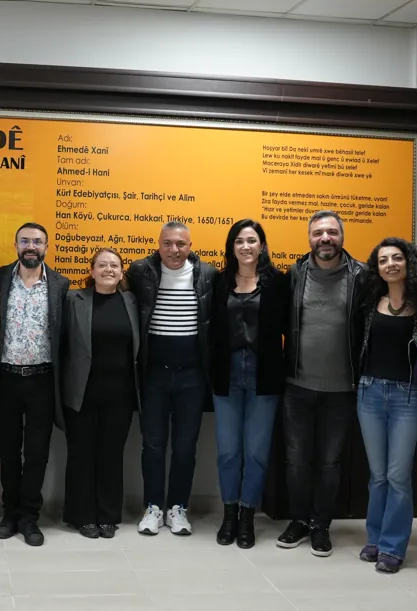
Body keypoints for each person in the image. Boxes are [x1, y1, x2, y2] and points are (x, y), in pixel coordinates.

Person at [278, 210, 366, 556]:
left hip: (342, 389)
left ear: (342, 236)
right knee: (296, 460)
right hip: (297, 385)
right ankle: (299, 520)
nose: (325, 238)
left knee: (330, 462)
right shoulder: (295, 273)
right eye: (318, 233)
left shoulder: (361, 276)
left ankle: (320, 525)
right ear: (309, 238)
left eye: (331, 232)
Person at [129, 221, 220, 537]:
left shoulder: (207, 274)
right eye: (167, 243)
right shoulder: (141, 271)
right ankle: (153, 506)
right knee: (153, 445)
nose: (174, 250)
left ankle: (178, 507)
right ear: (159, 245)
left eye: (181, 244)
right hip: (154, 373)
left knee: (185, 446)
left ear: (190, 245)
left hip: (192, 375)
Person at [355, 237, 417, 574]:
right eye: (383, 260)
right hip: (369, 393)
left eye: (397, 258)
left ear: (408, 263)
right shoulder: (369, 303)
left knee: (398, 475)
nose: (390, 264)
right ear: (377, 268)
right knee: (377, 476)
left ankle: (393, 546)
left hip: (407, 397)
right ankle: (374, 539)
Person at [0, 222, 70, 547]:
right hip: (6, 379)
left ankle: (29, 517)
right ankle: (9, 514)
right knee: (8, 453)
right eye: (25, 241)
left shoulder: (60, 285)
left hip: (42, 381)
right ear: (16, 245)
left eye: (37, 241)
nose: (31, 246)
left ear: (46, 247)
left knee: (37, 453)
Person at [210, 220, 288, 548]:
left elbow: (289, 328)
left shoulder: (277, 282)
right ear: (232, 247)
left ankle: (246, 517)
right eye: (239, 241)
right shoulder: (219, 281)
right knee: (228, 452)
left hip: (263, 375)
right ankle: (228, 515)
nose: (246, 246)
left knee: (256, 452)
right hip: (226, 374)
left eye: (252, 240)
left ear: (262, 246)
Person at [61, 248, 140, 539]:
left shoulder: (132, 301)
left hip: (120, 394)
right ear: (92, 271)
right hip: (82, 393)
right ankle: (82, 516)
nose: (109, 270)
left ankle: (108, 515)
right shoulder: (74, 300)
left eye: (114, 265)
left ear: (121, 272)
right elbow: (63, 345)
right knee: (81, 456)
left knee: (111, 456)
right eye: (102, 265)